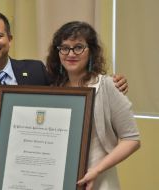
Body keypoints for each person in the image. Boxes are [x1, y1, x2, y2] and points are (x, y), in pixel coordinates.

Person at [0, 11, 128, 190]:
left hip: (47, 176)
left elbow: (71, 91)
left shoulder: (36, 70)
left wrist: (113, 82)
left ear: (9, 38)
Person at [46, 21, 140, 190]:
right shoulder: (54, 89)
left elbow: (132, 140)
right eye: (64, 48)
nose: (71, 53)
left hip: (99, 180)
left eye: (78, 47)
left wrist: (96, 170)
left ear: (91, 52)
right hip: (58, 179)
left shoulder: (108, 86)